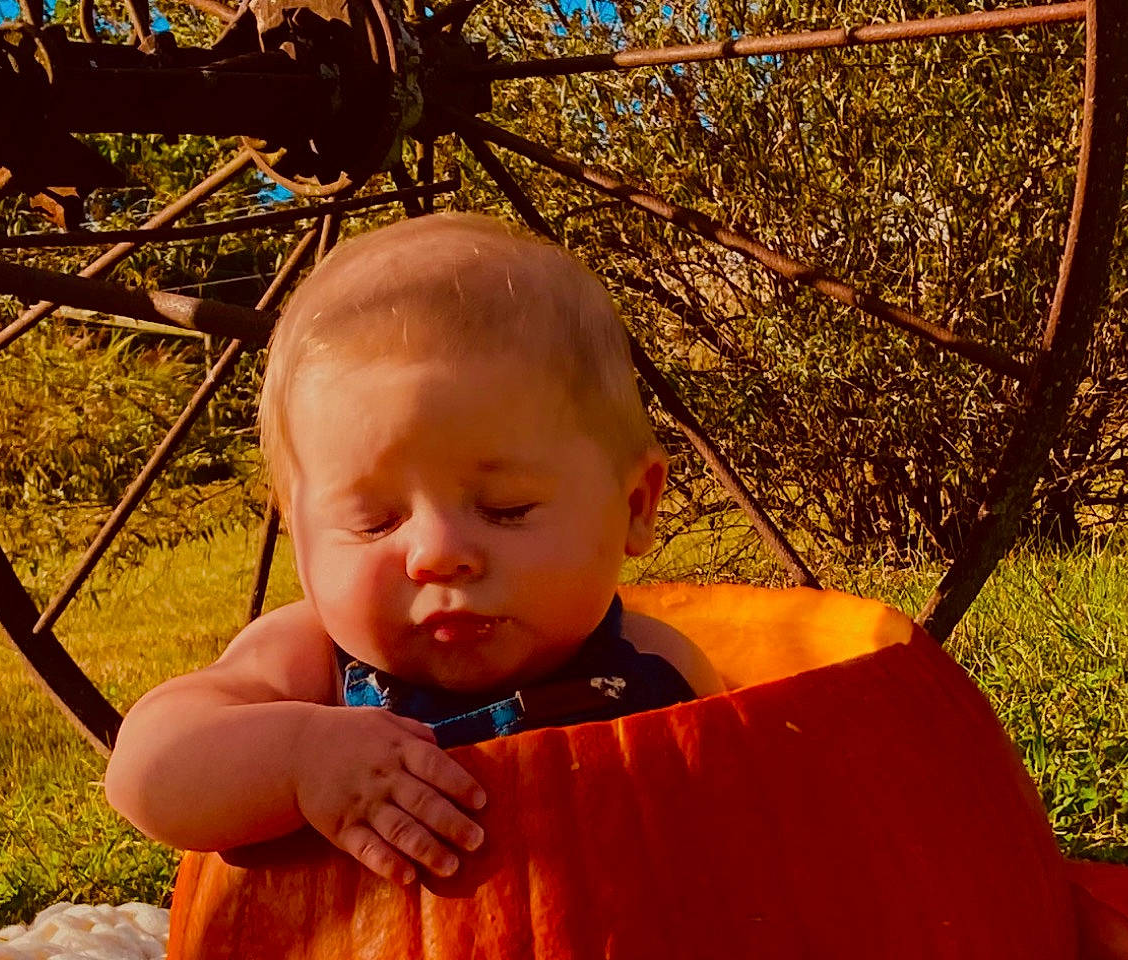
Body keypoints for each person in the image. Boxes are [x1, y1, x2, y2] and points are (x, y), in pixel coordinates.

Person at [104, 212, 723, 886]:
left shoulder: (660, 669)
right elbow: (146, 768)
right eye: (373, 523)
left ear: (634, 507)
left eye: (506, 509)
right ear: (298, 533)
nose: (438, 553)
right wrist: (300, 758)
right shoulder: (312, 664)